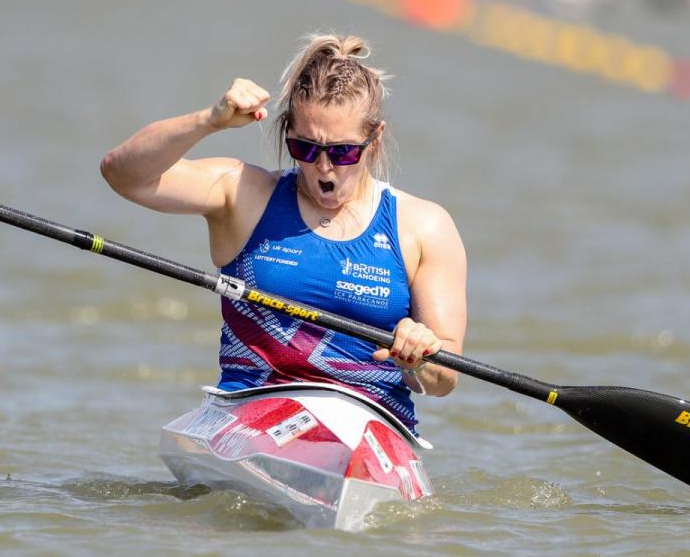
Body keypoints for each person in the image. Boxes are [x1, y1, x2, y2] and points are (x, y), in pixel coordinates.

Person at [100, 33, 466, 431]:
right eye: (305, 148)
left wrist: (418, 358)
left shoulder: (424, 226)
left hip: (371, 426)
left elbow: (443, 381)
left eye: (342, 152)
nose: (324, 168)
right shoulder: (243, 194)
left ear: (374, 139)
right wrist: (209, 120)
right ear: (287, 132)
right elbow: (123, 175)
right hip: (249, 413)